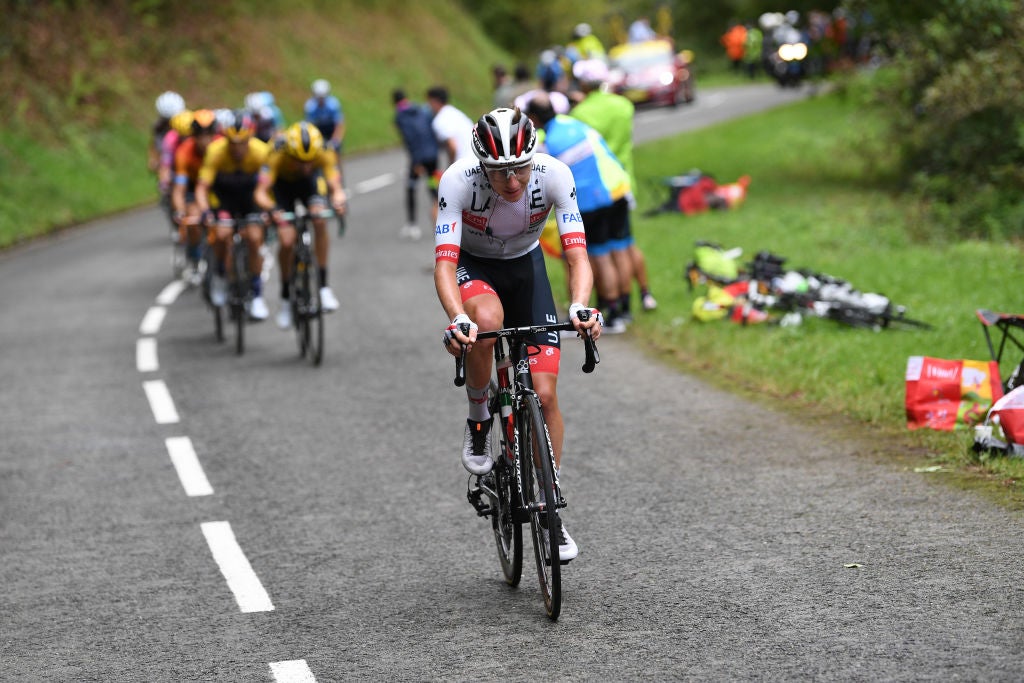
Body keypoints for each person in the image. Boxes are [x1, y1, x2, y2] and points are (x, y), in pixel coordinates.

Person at [435, 106, 602, 562]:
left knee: (545, 395)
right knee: (485, 320)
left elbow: (577, 256)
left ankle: (551, 510)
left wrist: (581, 305)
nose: (511, 182)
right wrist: (457, 317)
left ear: (534, 155)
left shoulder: (555, 175)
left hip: (526, 269)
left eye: (519, 169)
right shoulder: (457, 181)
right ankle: (478, 418)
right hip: (476, 267)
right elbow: (445, 264)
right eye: (498, 172)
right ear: (480, 164)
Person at [525, 93, 632, 332]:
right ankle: (623, 309)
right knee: (616, 250)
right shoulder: (573, 122)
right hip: (615, 188)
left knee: (594, 256)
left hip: (588, 200)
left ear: (533, 118)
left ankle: (610, 314)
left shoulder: (547, 141)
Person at [570, 59, 658, 314]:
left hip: (597, 187)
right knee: (626, 245)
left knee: (601, 251)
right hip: (623, 182)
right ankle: (641, 296)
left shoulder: (580, 114)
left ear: (584, 83)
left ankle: (610, 305)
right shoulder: (624, 105)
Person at [254, 121, 346, 330]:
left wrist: (338, 200)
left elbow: (335, 186)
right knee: (286, 240)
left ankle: (323, 287)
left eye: (309, 161)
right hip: (281, 188)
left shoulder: (323, 150)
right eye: (299, 161)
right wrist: (272, 209)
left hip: (310, 184)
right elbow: (260, 192)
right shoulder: (276, 151)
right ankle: (286, 297)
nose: (304, 166)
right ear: (289, 152)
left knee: (319, 220)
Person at [195, 110, 272, 319]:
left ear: (250, 138)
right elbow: (202, 188)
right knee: (221, 234)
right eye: (232, 142)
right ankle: (220, 275)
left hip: (250, 198)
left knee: (255, 238)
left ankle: (256, 295)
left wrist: (269, 210)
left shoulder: (261, 151)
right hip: (224, 198)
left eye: (243, 142)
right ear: (225, 139)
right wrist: (204, 212)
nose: (238, 148)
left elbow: (268, 188)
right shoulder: (215, 151)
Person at [170, 109, 219, 267]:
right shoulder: (184, 151)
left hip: (219, 186)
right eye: (200, 135)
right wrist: (179, 210)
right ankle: (195, 254)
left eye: (208, 134)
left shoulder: (221, 148)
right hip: (193, 187)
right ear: (193, 135)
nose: (205, 140)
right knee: (193, 217)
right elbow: (179, 188)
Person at [392, 88, 439, 240]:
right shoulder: (420, 109)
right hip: (432, 156)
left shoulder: (400, 116)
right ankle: (444, 220)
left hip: (418, 158)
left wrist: (417, 162)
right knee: (434, 187)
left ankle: (412, 225)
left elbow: (410, 139)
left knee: (411, 188)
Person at [425, 85, 475, 168]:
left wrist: (451, 167)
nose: (428, 106)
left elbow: (452, 146)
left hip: (463, 164)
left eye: (429, 102)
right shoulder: (456, 112)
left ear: (435, 101)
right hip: (477, 159)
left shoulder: (440, 120)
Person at [304, 78, 346, 154]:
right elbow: (309, 126)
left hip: (331, 129)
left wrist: (336, 140)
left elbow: (339, 125)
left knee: (336, 150)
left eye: (322, 97)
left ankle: (337, 164)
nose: (321, 100)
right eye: (318, 97)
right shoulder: (310, 106)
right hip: (318, 129)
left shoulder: (333, 105)